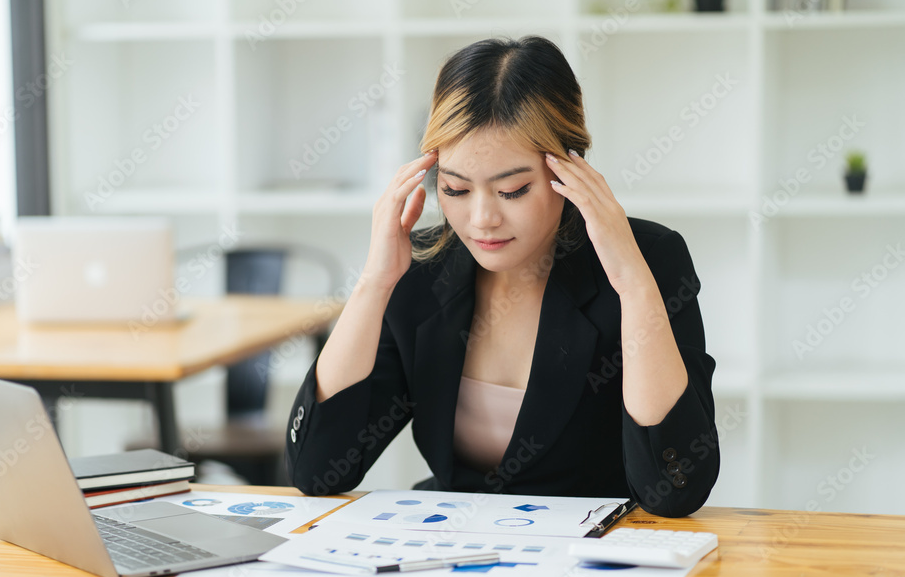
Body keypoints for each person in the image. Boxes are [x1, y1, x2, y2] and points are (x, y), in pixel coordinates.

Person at [284, 36, 719, 517]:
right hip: (450, 548)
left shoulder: (649, 259)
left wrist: (634, 287)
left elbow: (674, 491)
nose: (480, 219)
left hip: (597, 556)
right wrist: (373, 283)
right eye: (454, 188)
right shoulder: (420, 270)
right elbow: (317, 470)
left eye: (512, 190)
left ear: (569, 168)